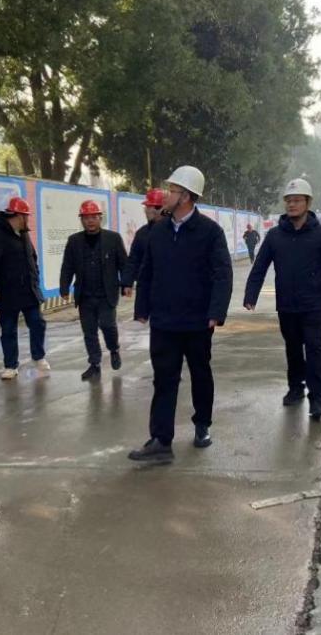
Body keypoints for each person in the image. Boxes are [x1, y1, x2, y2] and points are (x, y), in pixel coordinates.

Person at [128, 166, 233, 463]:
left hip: (198, 321)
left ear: (185, 196)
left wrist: (216, 312)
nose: (165, 195)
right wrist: (142, 308)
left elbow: (222, 274)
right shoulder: (158, 231)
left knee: (200, 374)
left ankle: (202, 425)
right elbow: (147, 271)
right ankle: (161, 441)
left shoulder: (210, 232)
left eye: (171, 190)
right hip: (164, 321)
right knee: (164, 379)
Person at [244, 179, 321, 419]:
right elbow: (260, 267)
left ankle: (317, 399)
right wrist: (251, 295)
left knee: (315, 349)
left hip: (314, 304)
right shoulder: (275, 236)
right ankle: (295, 388)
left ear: (307, 203)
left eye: (297, 200)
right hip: (287, 304)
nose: (292, 204)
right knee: (293, 348)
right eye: (288, 200)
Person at [0, 196, 49, 380]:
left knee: (38, 323)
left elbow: (32, 258)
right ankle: (10, 366)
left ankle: (38, 356)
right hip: (6, 292)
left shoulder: (24, 234)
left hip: (28, 290)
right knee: (8, 330)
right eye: (26, 216)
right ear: (18, 216)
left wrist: (35, 278)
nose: (27, 220)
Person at [59, 200, 128, 381]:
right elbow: (67, 266)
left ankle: (114, 349)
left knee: (107, 325)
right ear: (81, 220)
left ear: (100, 218)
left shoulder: (113, 238)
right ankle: (94, 364)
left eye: (94, 217)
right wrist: (64, 287)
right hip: (85, 295)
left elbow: (123, 263)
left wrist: (126, 284)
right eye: (86, 218)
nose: (90, 221)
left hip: (106, 294)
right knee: (89, 331)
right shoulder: (74, 241)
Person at [121, 188, 165, 292]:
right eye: (146, 207)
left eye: (150, 207)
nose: (146, 210)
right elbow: (133, 260)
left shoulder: (173, 231)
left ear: (161, 208)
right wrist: (127, 283)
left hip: (167, 286)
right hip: (145, 287)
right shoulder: (142, 233)